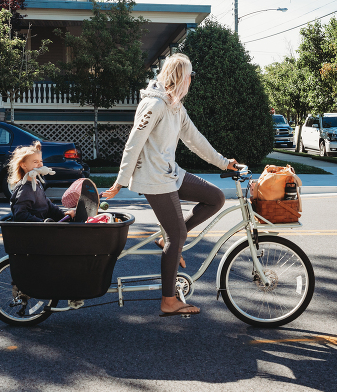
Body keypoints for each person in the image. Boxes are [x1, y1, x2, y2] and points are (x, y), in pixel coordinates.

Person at [101, 53, 238, 317]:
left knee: (215, 198)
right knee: (178, 236)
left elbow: (195, 139)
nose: (192, 80)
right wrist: (120, 181)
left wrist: (224, 163)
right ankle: (168, 300)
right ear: (181, 76)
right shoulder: (154, 104)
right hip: (154, 177)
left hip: (169, 172)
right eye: (190, 75)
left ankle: (170, 240)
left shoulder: (175, 106)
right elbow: (134, 143)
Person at [7, 141, 75, 222]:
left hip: (41, 225)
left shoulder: (37, 183)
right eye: (35, 162)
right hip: (33, 228)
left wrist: (63, 214)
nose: (40, 165)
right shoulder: (25, 188)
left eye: (41, 161)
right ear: (23, 165)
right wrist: (41, 222)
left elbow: (47, 205)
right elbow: (20, 214)